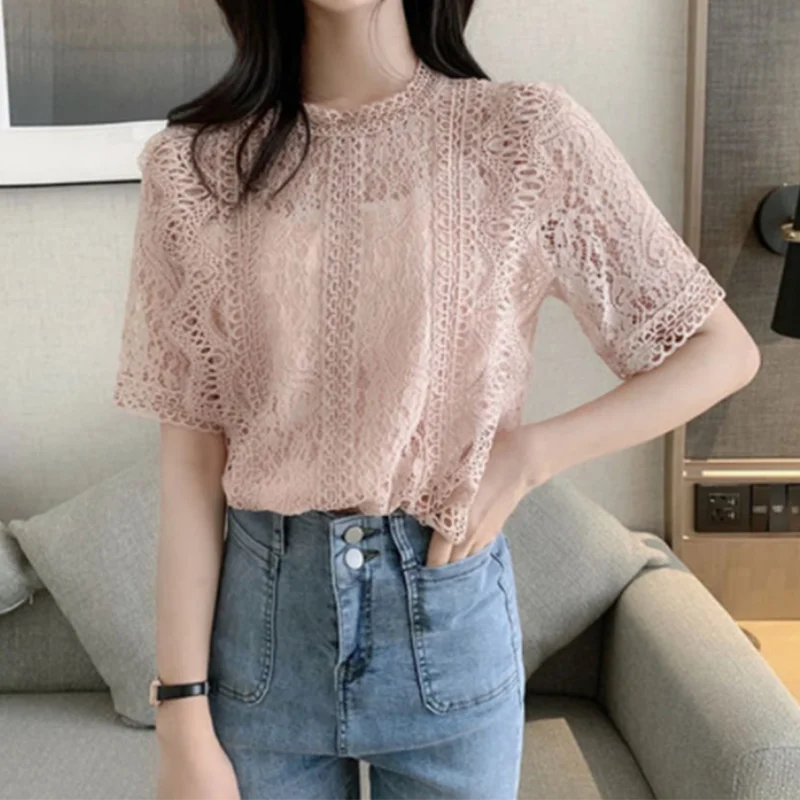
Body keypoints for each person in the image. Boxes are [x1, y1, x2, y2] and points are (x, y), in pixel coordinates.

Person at [112, 1, 761, 798]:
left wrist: (529, 455)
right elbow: (190, 463)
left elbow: (720, 352)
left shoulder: (522, 136)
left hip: (447, 627)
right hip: (260, 641)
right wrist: (180, 715)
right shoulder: (194, 169)